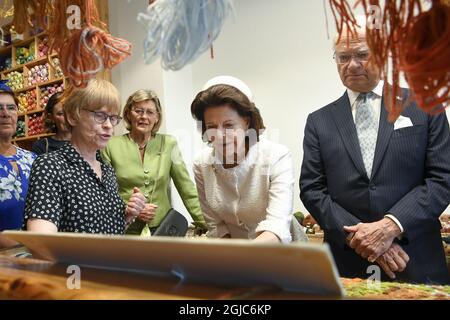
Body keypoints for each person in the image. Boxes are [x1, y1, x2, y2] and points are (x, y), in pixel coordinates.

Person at [300, 24, 450, 284]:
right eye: (343, 57)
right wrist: (361, 238)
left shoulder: (425, 106)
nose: (353, 64)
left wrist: (390, 226)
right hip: (347, 262)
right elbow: (312, 188)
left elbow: (442, 178)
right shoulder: (319, 121)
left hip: (415, 256)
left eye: (362, 54)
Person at [191, 76, 307, 243]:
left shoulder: (276, 156)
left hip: (285, 256)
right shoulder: (202, 164)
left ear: (246, 122)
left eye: (229, 125)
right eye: (212, 126)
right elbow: (216, 226)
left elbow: (277, 226)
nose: (220, 135)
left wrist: (243, 259)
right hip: (236, 259)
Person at [24, 79, 146, 234]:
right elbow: (41, 241)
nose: (108, 125)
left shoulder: (107, 170)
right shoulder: (50, 166)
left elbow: (107, 231)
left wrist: (127, 216)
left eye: (113, 118)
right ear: (72, 116)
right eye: (100, 115)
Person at [101, 89, 207, 236]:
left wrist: (210, 226)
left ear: (157, 117)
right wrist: (131, 211)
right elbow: (104, 193)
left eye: (150, 112)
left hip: (164, 229)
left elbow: (186, 189)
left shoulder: (169, 143)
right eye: (138, 111)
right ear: (128, 114)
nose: (144, 116)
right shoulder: (110, 145)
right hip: (126, 230)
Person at [0, 81, 36, 235]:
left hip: (33, 252)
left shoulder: (32, 159)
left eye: (11, 108)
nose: (5, 113)